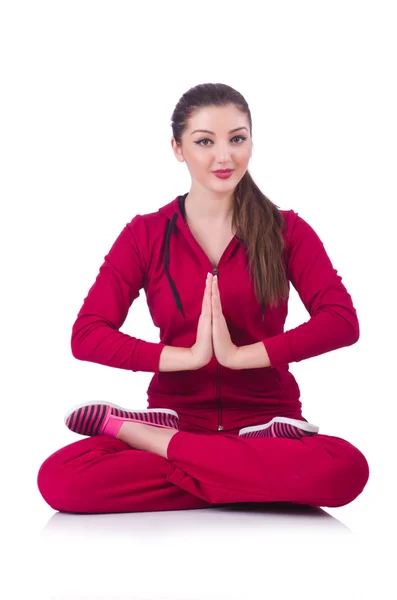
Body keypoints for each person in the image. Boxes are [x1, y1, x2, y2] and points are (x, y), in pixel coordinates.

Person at [37, 82, 370, 514]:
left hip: (268, 423)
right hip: (182, 416)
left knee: (345, 469)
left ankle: (154, 441)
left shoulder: (288, 231)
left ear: (252, 141)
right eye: (204, 142)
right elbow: (87, 334)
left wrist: (239, 356)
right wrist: (188, 357)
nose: (224, 156)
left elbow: (341, 321)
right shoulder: (146, 234)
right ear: (178, 149)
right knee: (61, 479)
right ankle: (242, 475)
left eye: (237, 138)